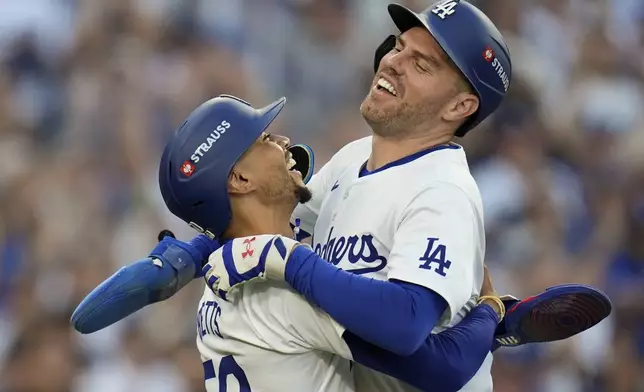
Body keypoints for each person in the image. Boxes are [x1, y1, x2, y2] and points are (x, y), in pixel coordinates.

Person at [71, 1, 611, 391]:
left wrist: (190, 257)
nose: (393, 61)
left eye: (421, 63)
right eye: (400, 46)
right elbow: (267, 223)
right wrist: (489, 318)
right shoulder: (352, 162)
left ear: (457, 108)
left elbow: (401, 324)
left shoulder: (442, 193)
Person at [150, 93, 506, 392]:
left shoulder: (215, 291)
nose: (283, 141)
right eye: (264, 140)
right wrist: (493, 311)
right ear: (241, 179)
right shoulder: (283, 295)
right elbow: (445, 366)